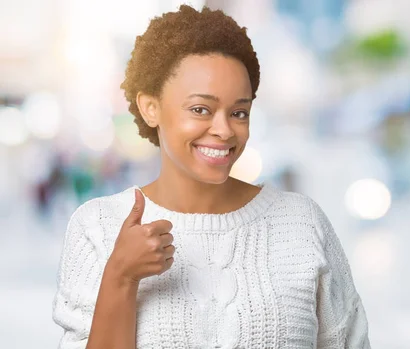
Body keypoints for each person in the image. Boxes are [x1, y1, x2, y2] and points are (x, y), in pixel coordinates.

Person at [52, 5, 370, 349]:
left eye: (239, 112)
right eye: (200, 109)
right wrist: (121, 276)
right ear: (150, 107)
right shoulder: (97, 226)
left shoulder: (302, 225)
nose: (224, 130)